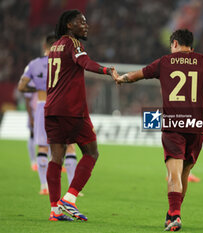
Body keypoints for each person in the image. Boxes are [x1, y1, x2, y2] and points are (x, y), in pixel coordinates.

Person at [115, 29, 203, 231]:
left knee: (174, 173)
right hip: (196, 128)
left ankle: (175, 215)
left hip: (174, 125)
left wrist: (121, 79)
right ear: (191, 45)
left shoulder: (164, 62)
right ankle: (172, 213)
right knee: (185, 172)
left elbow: (136, 75)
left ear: (174, 43)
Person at [44, 9, 118, 222]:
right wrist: (106, 70)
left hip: (52, 110)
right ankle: (69, 198)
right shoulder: (72, 43)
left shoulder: (55, 47)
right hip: (71, 110)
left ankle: (54, 210)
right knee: (92, 153)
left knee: (56, 159)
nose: (86, 25)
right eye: (81, 22)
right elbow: (85, 63)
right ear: (69, 25)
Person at [18, 35, 80, 196]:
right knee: (70, 146)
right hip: (61, 107)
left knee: (43, 147)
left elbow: (21, 86)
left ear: (44, 45)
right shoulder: (65, 63)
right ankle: (72, 188)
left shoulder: (33, 64)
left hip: (41, 106)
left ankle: (44, 186)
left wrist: (38, 89)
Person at [23, 84, 38, 171]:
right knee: (32, 135)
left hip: (44, 113)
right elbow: (27, 101)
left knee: (48, 138)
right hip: (34, 113)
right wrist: (31, 117)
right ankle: (33, 162)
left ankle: (49, 161)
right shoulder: (31, 82)